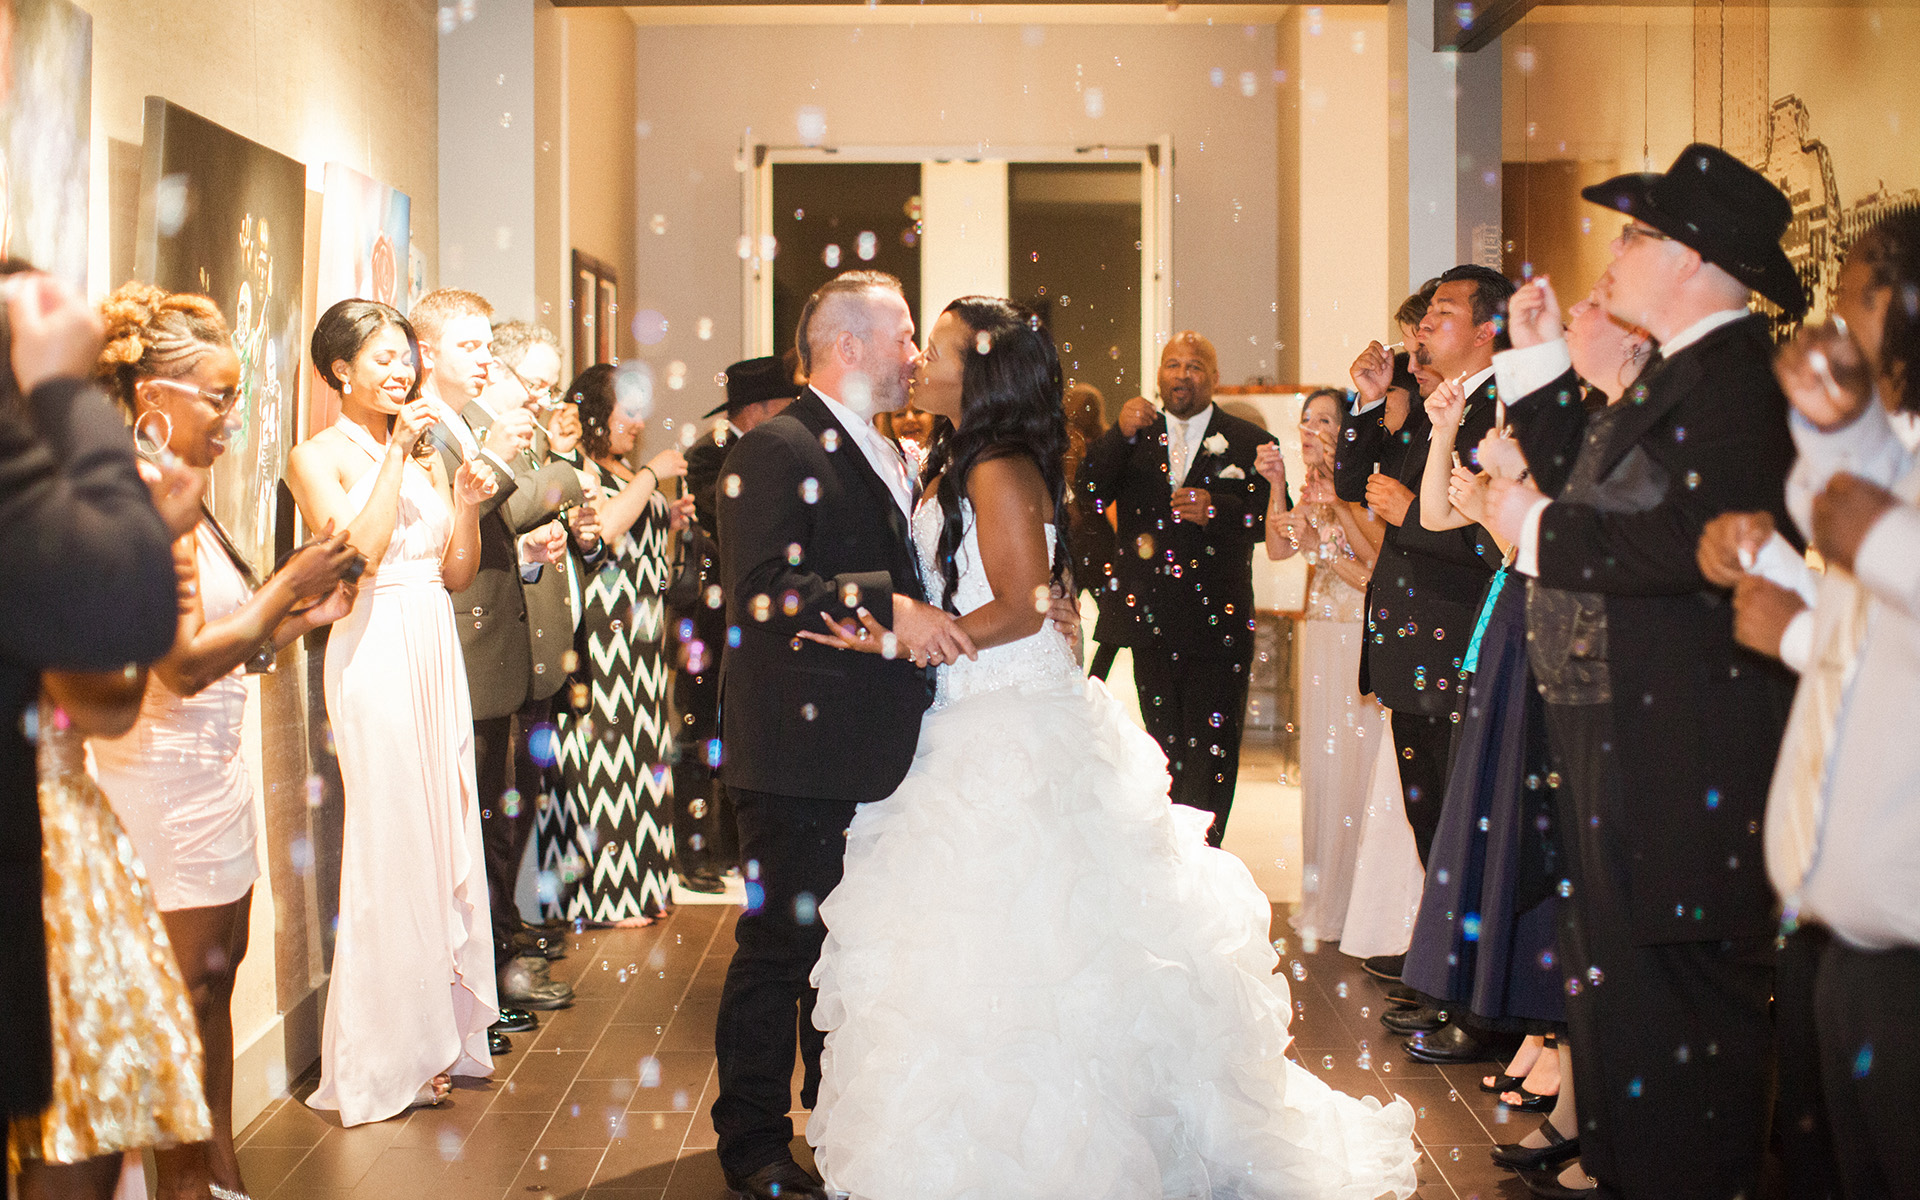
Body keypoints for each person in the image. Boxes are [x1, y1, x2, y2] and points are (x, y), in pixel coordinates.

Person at [800, 295, 1418, 1200]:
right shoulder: (955, 456)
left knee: (1035, 944)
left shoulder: (997, 466)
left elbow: (1021, 604)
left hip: (1007, 720)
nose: (922, 360)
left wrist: (913, 635)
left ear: (980, 372)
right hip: (971, 711)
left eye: (936, 348)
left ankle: (1062, 1151)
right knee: (985, 953)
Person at [1479, 144, 1806, 1200]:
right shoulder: (1682, 370)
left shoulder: (1742, 382)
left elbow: (1697, 540)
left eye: (1638, 234)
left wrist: (1537, 531)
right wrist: (1539, 363)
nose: (1615, 252)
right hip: (1639, 743)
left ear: (1695, 258)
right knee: (1625, 1013)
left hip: (1690, 758)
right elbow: (1595, 483)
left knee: (1683, 1036)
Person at [87, 283, 361, 1198]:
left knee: (210, 994)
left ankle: (218, 1178)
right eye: (220, 396)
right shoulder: (140, 495)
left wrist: (298, 615)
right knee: (178, 1009)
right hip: (159, 791)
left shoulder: (186, 497)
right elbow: (180, 665)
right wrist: (290, 584)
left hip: (211, 779)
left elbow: (227, 643)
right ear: (152, 398)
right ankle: (184, 1185)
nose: (234, 417)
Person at [710, 271, 973, 1200]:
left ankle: (836, 1118)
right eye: (903, 336)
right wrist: (888, 604)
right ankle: (751, 1142)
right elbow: (761, 591)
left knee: (848, 947)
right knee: (780, 952)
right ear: (849, 346)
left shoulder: (891, 450)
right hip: (797, 748)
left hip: (868, 745)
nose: (916, 353)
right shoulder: (777, 446)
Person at [1698, 209, 1920, 1200]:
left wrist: (1876, 545)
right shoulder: (1898, 450)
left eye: (1851, 303)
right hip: (1842, 938)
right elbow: (1878, 640)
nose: (1831, 329)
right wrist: (1787, 599)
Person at [1, 270, 204, 1200]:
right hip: (43, 845)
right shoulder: (45, 506)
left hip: (62, 835)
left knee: (79, 1135)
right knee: (70, 1142)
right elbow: (114, 641)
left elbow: (113, 700)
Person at [286, 299, 500, 1127]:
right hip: (372, 645)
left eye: (405, 356)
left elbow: (456, 573)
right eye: (383, 357)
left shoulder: (426, 450)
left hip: (432, 638)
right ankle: (386, 1054)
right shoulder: (315, 457)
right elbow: (361, 556)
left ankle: (439, 1035)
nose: (402, 371)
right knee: (391, 841)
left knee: (443, 829)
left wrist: (467, 501)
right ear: (340, 370)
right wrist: (393, 459)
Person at [412, 291, 591, 1039]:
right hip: (463, 641)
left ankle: (481, 982)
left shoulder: (464, 425)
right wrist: (543, 469)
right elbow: (507, 508)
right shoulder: (432, 430)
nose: (486, 360)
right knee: (473, 826)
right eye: (472, 346)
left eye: (490, 346)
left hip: (497, 642)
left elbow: (503, 525)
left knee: (494, 816)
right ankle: (469, 988)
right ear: (428, 354)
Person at [1333, 265, 1514, 996]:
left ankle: (1464, 985)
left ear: (1486, 331)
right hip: (1411, 643)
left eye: (1442, 312)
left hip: (1456, 639)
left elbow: (1498, 537)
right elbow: (1353, 484)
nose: (1423, 328)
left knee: (1458, 820)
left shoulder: (1503, 409)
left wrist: (1412, 514)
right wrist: (1372, 403)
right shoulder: (1440, 403)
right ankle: (1442, 968)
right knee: (1428, 814)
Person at [1077, 331, 1282, 845]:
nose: (1182, 375)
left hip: (1219, 622)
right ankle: (1166, 849)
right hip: (1152, 621)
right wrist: (1117, 435)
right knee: (1162, 747)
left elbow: (1272, 521)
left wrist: (1219, 511)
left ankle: (1206, 852)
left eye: (1194, 366)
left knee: (1214, 748)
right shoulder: (1135, 435)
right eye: (1173, 364)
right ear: (1159, 374)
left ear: (1214, 377)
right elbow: (1089, 492)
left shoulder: (1248, 440)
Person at [541, 363, 687, 924]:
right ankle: (603, 896)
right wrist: (651, 476)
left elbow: (636, 539)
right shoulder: (580, 466)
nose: (638, 422)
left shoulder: (622, 469)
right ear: (599, 413)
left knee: (642, 754)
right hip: (605, 632)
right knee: (607, 757)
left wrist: (670, 519)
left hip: (642, 630)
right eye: (629, 410)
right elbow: (601, 528)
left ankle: (644, 884)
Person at [668, 356, 800, 893]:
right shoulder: (711, 455)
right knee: (702, 728)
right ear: (760, 409)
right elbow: (731, 525)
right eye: (787, 404)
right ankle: (697, 850)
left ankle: (731, 847)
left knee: (741, 730)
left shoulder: (768, 451)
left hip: (745, 617)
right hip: (708, 618)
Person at [1257, 387, 1384, 944]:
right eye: (1306, 418)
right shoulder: (1311, 487)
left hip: (1357, 632)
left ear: (1346, 429)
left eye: (1325, 419)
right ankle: (1324, 897)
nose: (1311, 428)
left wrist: (1325, 535)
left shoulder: (1360, 487)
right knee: (1325, 766)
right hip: (1322, 632)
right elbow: (1279, 547)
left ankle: (1357, 903)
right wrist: (1278, 486)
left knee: (1355, 764)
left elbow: (1373, 568)